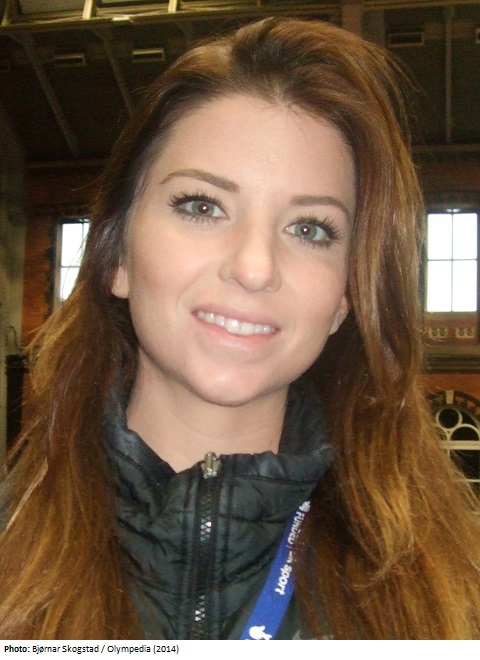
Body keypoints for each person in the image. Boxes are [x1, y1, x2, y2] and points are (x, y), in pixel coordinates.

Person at [1, 16, 480, 641]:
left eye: (309, 229)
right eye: (203, 206)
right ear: (116, 256)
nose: (255, 268)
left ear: (345, 298)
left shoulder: (453, 598)